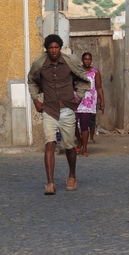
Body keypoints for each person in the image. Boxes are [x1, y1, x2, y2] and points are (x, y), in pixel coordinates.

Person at [27, 34, 91, 195]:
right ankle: (50, 183)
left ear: (60, 48)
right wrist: (36, 100)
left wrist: (79, 97)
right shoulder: (39, 63)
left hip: (67, 110)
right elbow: (31, 80)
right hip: (49, 110)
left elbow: (83, 80)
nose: (53, 51)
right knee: (50, 143)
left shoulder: (70, 61)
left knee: (69, 146)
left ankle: (72, 176)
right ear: (47, 49)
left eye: (56, 47)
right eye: (50, 48)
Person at [74, 52, 104, 157]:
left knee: (84, 126)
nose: (87, 61)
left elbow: (99, 87)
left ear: (91, 60)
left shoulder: (95, 72)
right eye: (85, 59)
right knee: (73, 124)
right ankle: (79, 141)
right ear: (82, 60)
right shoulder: (77, 70)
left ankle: (85, 148)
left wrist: (102, 100)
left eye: (89, 59)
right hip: (77, 100)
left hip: (89, 102)